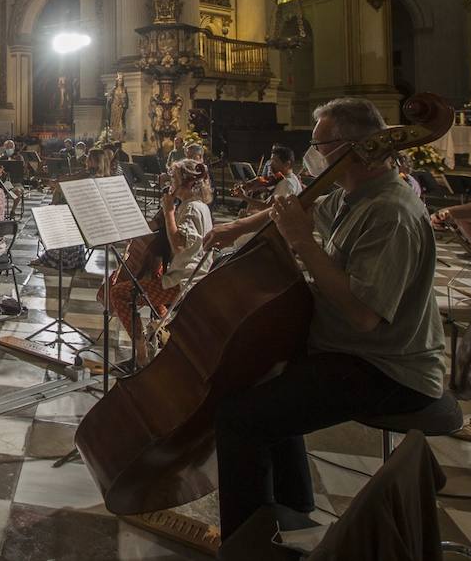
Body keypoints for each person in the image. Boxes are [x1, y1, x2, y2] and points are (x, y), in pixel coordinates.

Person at [202, 97, 445, 539]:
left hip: (387, 367)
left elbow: (363, 314)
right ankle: (292, 515)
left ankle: (250, 544)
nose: (313, 152)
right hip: (348, 350)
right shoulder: (354, 196)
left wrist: (302, 242)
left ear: (354, 148)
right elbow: (291, 208)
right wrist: (232, 230)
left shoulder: (390, 211)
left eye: (320, 144)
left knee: (239, 418)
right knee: (263, 386)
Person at [101, 159, 213, 363]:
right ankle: (159, 333)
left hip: (184, 281)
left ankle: (141, 353)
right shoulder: (197, 205)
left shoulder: (190, 209)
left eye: (174, 177)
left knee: (119, 293)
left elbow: (179, 244)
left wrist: (169, 210)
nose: (170, 181)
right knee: (153, 276)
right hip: (184, 275)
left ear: (187, 183)